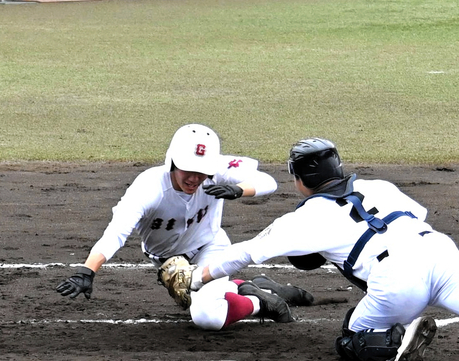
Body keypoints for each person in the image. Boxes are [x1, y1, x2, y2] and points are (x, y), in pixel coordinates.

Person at [191, 137, 459, 361]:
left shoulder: (302, 219)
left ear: (301, 178)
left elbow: (242, 253)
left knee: (350, 337)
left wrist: (199, 276)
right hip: (440, 251)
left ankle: (396, 340)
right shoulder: (380, 186)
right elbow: (412, 216)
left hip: (396, 277)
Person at [56, 124, 313, 329]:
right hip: (169, 264)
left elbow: (268, 181)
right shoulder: (148, 188)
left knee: (206, 318)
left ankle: (261, 302)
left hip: (211, 248)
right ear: (172, 162)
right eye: (187, 170)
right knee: (196, 301)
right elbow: (116, 232)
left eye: (201, 171)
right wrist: (87, 271)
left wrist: (238, 190)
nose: (194, 178)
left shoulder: (218, 169)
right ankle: (251, 286)